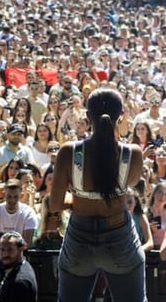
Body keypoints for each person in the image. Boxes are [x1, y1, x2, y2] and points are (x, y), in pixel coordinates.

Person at [49, 87, 145, 301]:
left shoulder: (68, 152)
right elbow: (124, 185)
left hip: (79, 239)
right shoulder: (133, 154)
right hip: (119, 236)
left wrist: (78, 199)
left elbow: (54, 204)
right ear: (120, 116)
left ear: (87, 116)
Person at [0, 230, 37, 302]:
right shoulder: (12, 268)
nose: (5, 254)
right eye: (2, 250)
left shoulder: (19, 282)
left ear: (21, 250)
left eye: (10, 250)